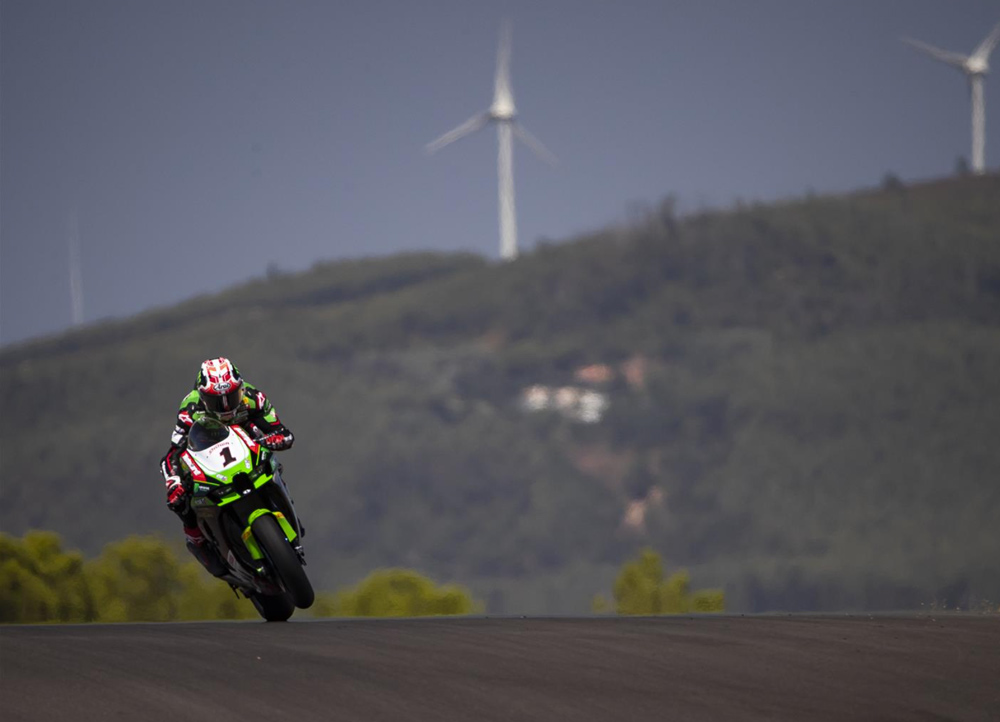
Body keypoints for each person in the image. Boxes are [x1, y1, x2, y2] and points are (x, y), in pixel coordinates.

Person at [159, 357, 295, 575]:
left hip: (248, 452)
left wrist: (278, 439)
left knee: (274, 467)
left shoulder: (254, 398)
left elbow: (281, 431)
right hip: (209, 457)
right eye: (216, 401)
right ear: (202, 396)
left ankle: (284, 505)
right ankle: (198, 543)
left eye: (231, 396)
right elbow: (173, 453)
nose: (225, 406)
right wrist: (173, 482)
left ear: (240, 388)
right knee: (180, 501)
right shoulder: (190, 408)